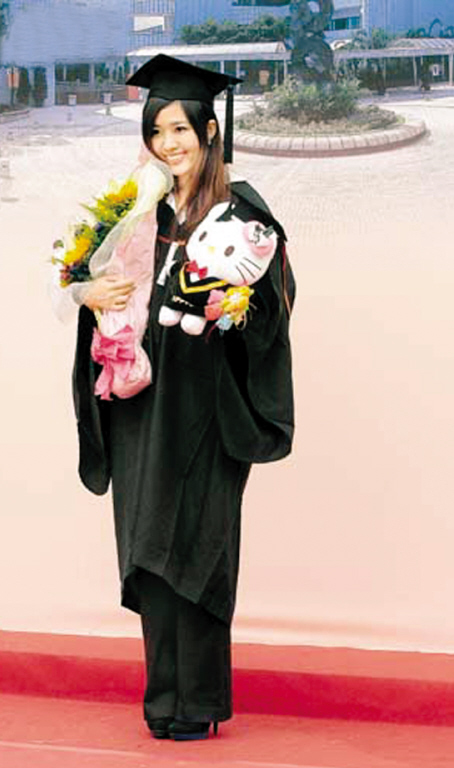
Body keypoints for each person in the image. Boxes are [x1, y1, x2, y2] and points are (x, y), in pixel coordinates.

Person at [71, 55, 295, 740]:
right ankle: (162, 699)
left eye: (180, 130)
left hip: (206, 410)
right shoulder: (136, 212)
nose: (168, 144)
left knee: (196, 544)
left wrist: (234, 307)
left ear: (209, 132)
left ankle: (196, 701)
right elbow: (88, 282)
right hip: (139, 405)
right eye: (156, 131)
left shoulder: (242, 214)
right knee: (148, 545)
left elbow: (272, 311)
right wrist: (88, 293)